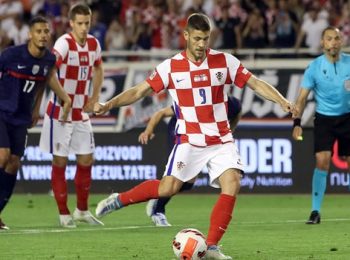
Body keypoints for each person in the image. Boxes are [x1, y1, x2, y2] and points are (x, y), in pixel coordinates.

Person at [94, 13, 294, 259]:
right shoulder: (171, 67)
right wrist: (108, 104)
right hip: (189, 140)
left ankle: (210, 247)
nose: (202, 44)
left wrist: (282, 100)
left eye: (206, 39)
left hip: (221, 139)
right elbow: (139, 90)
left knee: (232, 182)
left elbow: (255, 83)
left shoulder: (224, 62)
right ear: (186, 36)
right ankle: (119, 199)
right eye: (197, 38)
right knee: (168, 188)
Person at [0, 16, 71, 230]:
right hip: (2, 111)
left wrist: (36, 108)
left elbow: (44, 81)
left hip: (21, 117)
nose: (43, 35)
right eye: (39, 31)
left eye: (46, 31)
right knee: (3, 156)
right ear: (30, 34)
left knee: (14, 163)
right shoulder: (11, 55)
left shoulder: (49, 60)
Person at [39, 3, 104, 228]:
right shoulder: (64, 43)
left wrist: (94, 96)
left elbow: (98, 68)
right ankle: (64, 213)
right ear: (71, 23)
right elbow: (49, 71)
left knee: (87, 158)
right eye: (80, 23)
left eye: (87, 23)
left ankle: (82, 211)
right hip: (60, 111)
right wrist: (64, 98)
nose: (84, 28)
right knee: (60, 161)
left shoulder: (94, 43)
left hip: (79, 112)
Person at [139, 96, 242, 227]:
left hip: (202, 137)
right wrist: (148, 130)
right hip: (182, 134)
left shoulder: (232, 104)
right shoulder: (197, 99)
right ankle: (158, 210)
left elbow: (237, 113)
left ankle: (158, 198)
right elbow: (162, 112)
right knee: (181, 178)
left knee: (187, 184)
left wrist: (228, 133)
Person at [292, 27, 350, 224]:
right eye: (329, 39)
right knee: (322, 161)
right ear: (323, 43)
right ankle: (315, 211)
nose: (333, 42)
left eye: (336, 38)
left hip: (348, 118)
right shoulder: (314, 67)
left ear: (341, 42)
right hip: (324, 119)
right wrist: (297, 122)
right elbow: (301, 98)